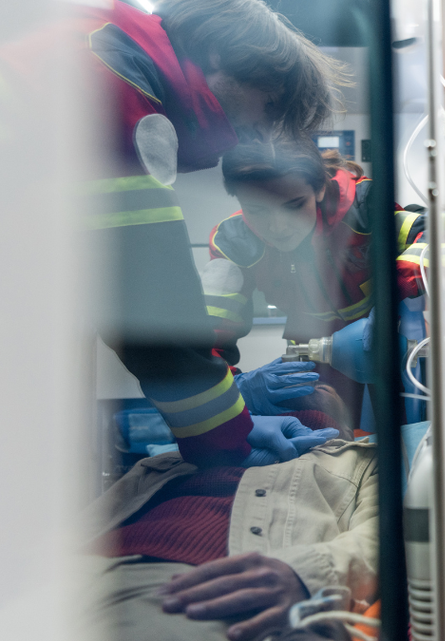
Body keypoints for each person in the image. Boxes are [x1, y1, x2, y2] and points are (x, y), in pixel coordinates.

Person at [78, 0, 350, 466]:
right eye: (268, 105)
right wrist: (230, 431)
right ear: (222, 55)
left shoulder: (102, 41)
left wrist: (231, 422)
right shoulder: (117, 82)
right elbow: (151, 305)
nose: (258, 129)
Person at [84, 390, 374, 641]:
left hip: (208, 586)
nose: (308, 376)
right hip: (91, 570)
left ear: (347, 428)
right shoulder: (173, 458)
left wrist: (305, 575)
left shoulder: (362, 459)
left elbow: (383, 535)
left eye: (323, 384)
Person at [204, 136, 422, 424]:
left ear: (319, 188)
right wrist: (232, 387)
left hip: (384, 333)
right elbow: (209, 334)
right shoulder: (234, 243)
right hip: (311, 343)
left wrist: (389, 300)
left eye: (294, 206)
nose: (277, 227)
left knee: (400, 429)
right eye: (256, 210)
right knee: (324, 433)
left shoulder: (365, 205)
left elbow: (431, 237)